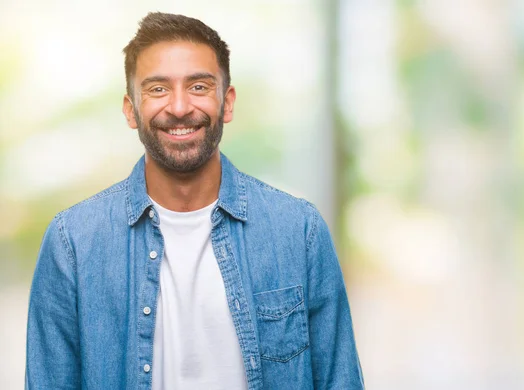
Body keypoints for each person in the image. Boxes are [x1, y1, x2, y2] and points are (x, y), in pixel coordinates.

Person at [25, 11, 363, 390]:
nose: (180, 107)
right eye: (157, 89)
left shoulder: (298, 230)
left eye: (199, 86)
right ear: (130, 109)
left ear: (228, 102)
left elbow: (340, 380)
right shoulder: (73, 242)